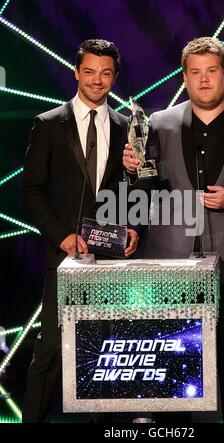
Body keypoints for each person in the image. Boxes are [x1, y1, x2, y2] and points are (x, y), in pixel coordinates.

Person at [123, 36, 224, 423]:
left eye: (211, 71)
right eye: (195, 73)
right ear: (185, 78)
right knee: (174, 354)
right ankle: (174, 428)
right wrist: (131, 169)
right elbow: (144, 185)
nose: (204, 80)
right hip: (170, 258)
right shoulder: (159, 124)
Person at [22, 39, 139, 422]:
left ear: (115, 77)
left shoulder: (127, 127)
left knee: (104, 349)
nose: (97, 80)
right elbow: (33, 191)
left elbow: (134, 189)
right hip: (64, 255)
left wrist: (132, 227)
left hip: (109, 255)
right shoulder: (48, 124)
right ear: (76, 72)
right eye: (89, 71)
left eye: (105, 73)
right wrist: (61, 236)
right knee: (51, 348)